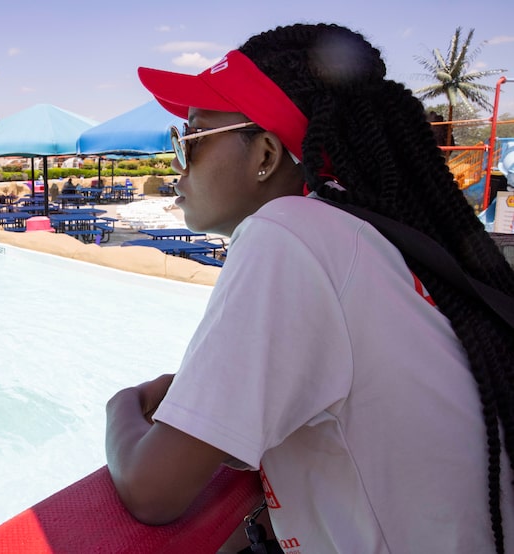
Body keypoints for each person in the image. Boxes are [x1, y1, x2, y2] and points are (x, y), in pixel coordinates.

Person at [105, 23, 514, 552]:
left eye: (187, 142)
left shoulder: (289, 232)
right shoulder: (366, 237)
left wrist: (123, 401)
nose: (175, 168)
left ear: (267, 156)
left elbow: (152, 489)